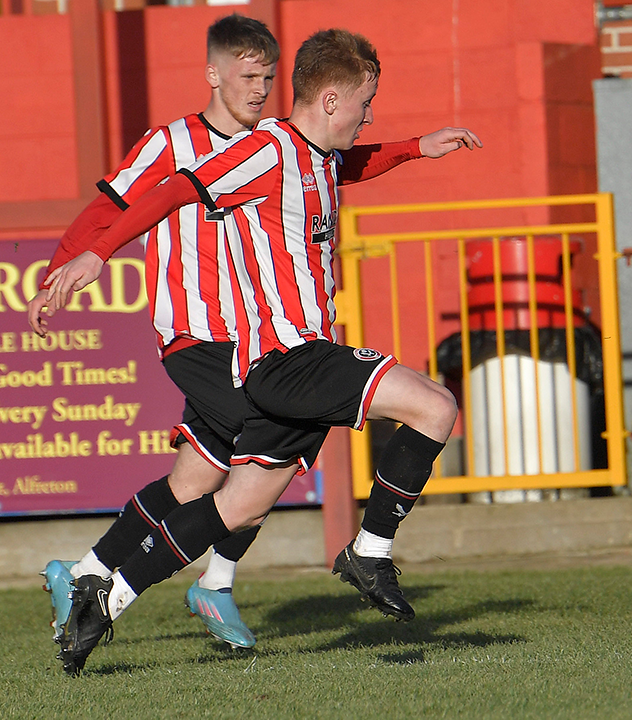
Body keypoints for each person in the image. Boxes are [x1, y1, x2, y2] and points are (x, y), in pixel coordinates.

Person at [45, 28, 482, 676]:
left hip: (285, 364)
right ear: (332, 100)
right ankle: (369, 550)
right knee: (436, 407)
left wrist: (420, 148)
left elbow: (354, 161)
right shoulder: (267, 150)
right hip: (288, 357)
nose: (369, 116)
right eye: (365, 103)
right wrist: (94, 253)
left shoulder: (322, 153)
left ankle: (104, 601)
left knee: (232, 504)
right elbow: (174, 190)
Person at [29, 13, 281, 650]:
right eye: (249, 76)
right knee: (278, 431)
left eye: (268, 78)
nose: (260, 89)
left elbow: (344, 155)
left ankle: (83, 571)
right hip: (194, 334)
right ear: (213, 74)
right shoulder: (169, 143)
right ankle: (215, 583)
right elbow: (108, 209)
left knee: (194, 482)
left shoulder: (278, 141)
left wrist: (414, 146)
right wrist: (59, 273)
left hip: (257, 336)